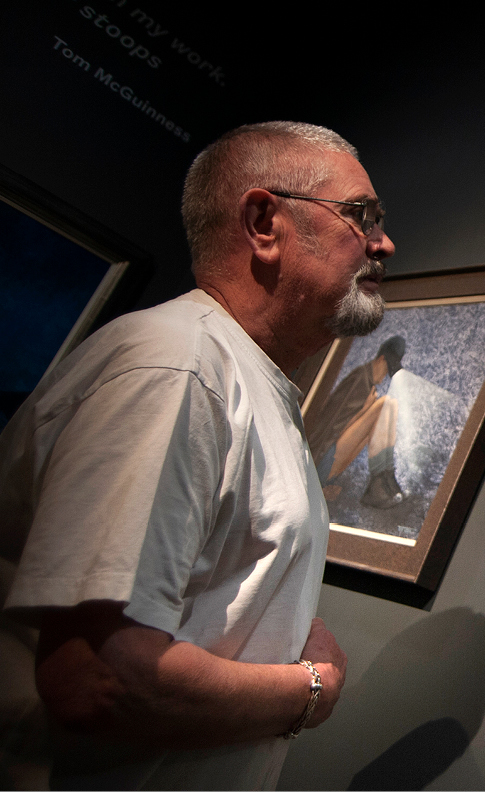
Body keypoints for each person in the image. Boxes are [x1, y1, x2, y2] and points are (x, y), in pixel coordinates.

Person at [0, 121, 396, 789]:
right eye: (362, 215)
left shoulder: (235, 376)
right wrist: (312, 691)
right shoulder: (178, 370)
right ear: (265, 222)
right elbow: (98, 677)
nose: (384, 242)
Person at [306, 336, 408, 509]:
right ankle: (377, 483)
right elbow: (332, 426)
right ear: (381, 359)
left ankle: (385, 476)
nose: (384, 377)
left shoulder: (369, 383)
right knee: (385, 403)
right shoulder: (360, 377)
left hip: (330, 461)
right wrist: (364, 409)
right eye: (386, 370)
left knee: (390, 404)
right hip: (321, 459)